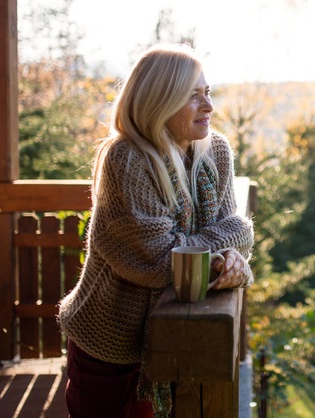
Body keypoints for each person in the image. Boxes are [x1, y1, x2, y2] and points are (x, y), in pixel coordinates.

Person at [57, 43, 254, 418]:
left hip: (178, 333)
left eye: (208, 93)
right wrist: (224, 248)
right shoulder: (127, 158)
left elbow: (235, 235)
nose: (209, 106)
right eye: (193, 96)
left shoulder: (216, 152)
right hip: (112, 344)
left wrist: (225, 249)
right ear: (159, 101)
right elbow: (160, 260)